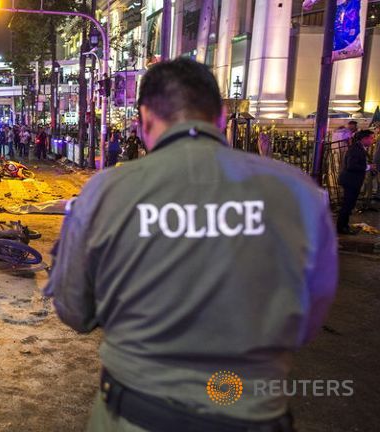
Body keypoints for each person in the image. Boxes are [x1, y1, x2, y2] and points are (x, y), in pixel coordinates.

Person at [45, 59, 337, 432]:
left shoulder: (107, 192)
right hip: (256, 413)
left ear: (145, 118)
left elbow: (73, 309)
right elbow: (310, 317)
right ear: (221, 117)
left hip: (136, 414)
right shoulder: (298, 191)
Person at [337, 129, 376, 234]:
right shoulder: (355, 149)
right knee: (347, 205)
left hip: (353, 181)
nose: (373, 140)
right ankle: (341, 227)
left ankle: (344, 225)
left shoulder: (359, 148)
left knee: (349, 204)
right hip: (350, 181)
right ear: (364, 139)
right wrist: (368, 167)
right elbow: (351, 166)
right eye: (371, 138)